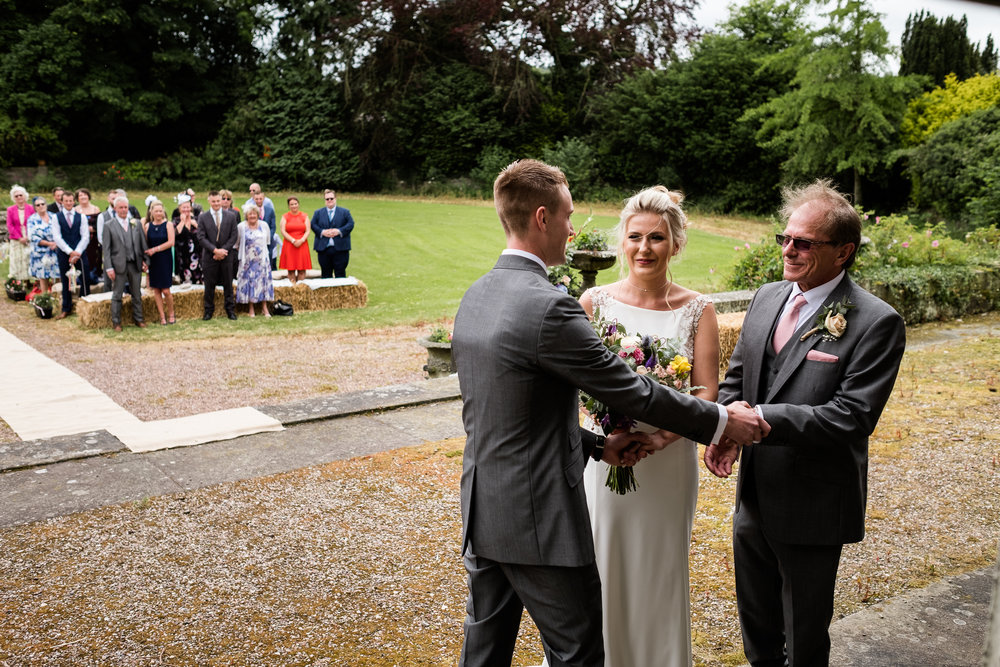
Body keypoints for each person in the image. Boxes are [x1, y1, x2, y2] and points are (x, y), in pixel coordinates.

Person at [451, 159, 767, 667]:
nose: (574, 228)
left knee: (483, 653)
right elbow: (633, 394)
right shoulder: (552, 306)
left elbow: (516, 417)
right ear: (541, 218)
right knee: (578, 652)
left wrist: (599, 445)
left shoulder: (476, 295)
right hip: (541, 519)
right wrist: (725, 422)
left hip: (485, 510)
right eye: (569, 215)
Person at [708, 180, 906, 667]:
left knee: (804, 638)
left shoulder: (876, 322)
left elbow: (851, 417)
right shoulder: (767, 296)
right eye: (786, 239)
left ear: (844, 252)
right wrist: (726, 432)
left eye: (804, 243)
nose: (789, 250)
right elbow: (739, 375)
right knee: (756, 627)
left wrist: (759, 418)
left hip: (813, 502)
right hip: (753, 495)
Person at [573, 186, 719, 667]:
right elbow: (571, 387)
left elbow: (705, 395)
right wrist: (604, 434)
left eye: (656, 238)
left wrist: (660, 437)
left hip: (667, 464)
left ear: (675, 244)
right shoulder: (594, 303)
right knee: (602, 564)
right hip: (607, 455)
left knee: (659, 570)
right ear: (622, 242)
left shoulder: (699, 309)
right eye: (635, 237)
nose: (644, 248)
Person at [102, 196, 148, 331]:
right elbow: (107, 249)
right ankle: (116, 322)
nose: (123, 210)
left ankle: (139, 319)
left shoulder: (136, 223)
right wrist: (109, 267)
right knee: (117, 295)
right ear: (115, 209)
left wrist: (145, 261)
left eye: (125, 207)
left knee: (137, 293)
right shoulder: (108, 225)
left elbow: (142, 245)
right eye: (120, 207)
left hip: (135, 263)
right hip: (118, 265)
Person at [196, 190, 238, 320]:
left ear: (221, 201)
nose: (216, 203)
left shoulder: (231, 216)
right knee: (209, 285)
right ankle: (208, 311)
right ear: (209, 201)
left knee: (228, 284)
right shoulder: (203, 217)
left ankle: (230, 310)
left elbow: (234, 236)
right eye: (213, 201)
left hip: (227, 256)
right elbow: (201, 237)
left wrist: (223, 251)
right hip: (210, 257)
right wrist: (215, 251)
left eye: (218, 201)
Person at [52, 190, 91, 318]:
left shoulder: (82, 217)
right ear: (62, 202)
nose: (68, 203)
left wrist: (77, 252)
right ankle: (66, 308)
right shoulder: (56, 217)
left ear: (74, 202)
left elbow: (85, 236)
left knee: (85, 279)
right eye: (66, 201)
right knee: (66, 281)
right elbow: (57, 237)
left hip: (80, 253)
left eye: (70, 201)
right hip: (64, 253)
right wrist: (69, 252)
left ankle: (85, 305)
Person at [236, 203, 274, 317]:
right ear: (246, 215)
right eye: (250, 214)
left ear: (258, 214)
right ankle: (251, 308)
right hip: (247, 260)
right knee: (250, 283)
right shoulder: (241, 227)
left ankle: (264, 307)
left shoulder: (264, 225)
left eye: (254, 214)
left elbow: (267, 241)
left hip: (262, 260)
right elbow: (237, 243)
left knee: (263, 282)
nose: (252, 216)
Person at [143, 200, 176, 325]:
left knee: (166, 290)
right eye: (156, 211)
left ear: (163, 212)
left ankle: (171, 313)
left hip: (165, 259)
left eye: (160, 211)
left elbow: (171, 242)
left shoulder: (168, 225)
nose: (158, 213)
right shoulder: (147, 226)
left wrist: (155, 249)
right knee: (156, 290)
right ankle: (162, 316)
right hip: (153, 261)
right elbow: (145, 244)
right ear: (151, 212)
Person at [310, 189, 354, 278]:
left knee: (340, 274)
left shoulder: (345, 212)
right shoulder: (318, 213)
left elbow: (351, 224)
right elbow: (313, 224)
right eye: (327, 199)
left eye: (331, 198)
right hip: (324, 249)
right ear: (324, 200)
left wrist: (339, 231)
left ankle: (340, 292)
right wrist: (322, 232)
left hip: (341, 249)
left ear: (335, 199)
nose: (329, 200)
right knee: (326, 274)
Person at [27, 196, 60, 293]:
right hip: (40, 253)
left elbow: (60, 231)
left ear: (46, 205)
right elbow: (32, 236)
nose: (41, 206)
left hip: (55, 250)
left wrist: (57, 243)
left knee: (57, 275)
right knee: (43, 276)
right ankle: (45, 298)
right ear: (35, 207)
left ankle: (57, 297)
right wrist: (49, 243)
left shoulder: (54, 216)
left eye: (43, 204)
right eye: (38, 205)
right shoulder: (32, 219)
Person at [278, 196, 311, 283]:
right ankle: (292, 288)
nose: (294, 206)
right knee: (291, 269)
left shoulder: (305, 216)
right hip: (290, 245)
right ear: (289, 206)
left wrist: (301, 240)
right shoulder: (285, 217)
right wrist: (293, 240)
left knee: (302, 269)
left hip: (302, 245)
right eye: (291, 204)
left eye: (295, 204)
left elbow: (308, 230)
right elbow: (283, 231)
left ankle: (300, 288)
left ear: (298, 204)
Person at [75, 188, 103, 286]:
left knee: (94, 258)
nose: (83, 197)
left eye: (85, 194)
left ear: (88, 196)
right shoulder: (75, 210)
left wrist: (93, 229)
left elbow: (99, 224)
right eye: (80, 195)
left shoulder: (96, 209)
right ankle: (81, 278)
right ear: (77, 198)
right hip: (80, 240)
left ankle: (94, 277)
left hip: (93, 240)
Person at [173, 195, 202, 284]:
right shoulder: (176, 221)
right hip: (182, 255)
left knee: (198, 279)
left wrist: (195, 224)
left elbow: (203, 233)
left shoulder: (197, 219)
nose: (186, 210)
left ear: (191, 208)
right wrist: (182, 222)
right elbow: (174, 234)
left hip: (196, 255)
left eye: (188, 207)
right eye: (183, 207)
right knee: (185, 280)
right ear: (179, 209)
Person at [6, 185, 33, 282]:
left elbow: (33, 223)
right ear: (13, 198)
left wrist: (27, 237)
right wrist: (19, 238)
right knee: (16, 260)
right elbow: (10, 225)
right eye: (16, 196)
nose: (18, 197)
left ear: (25, 196)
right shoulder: (10, 209)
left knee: (27, 258)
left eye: (20, 195)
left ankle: (28, 280)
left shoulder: (31, 208)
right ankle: (17, 281)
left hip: (28, 237)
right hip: (16, 238)